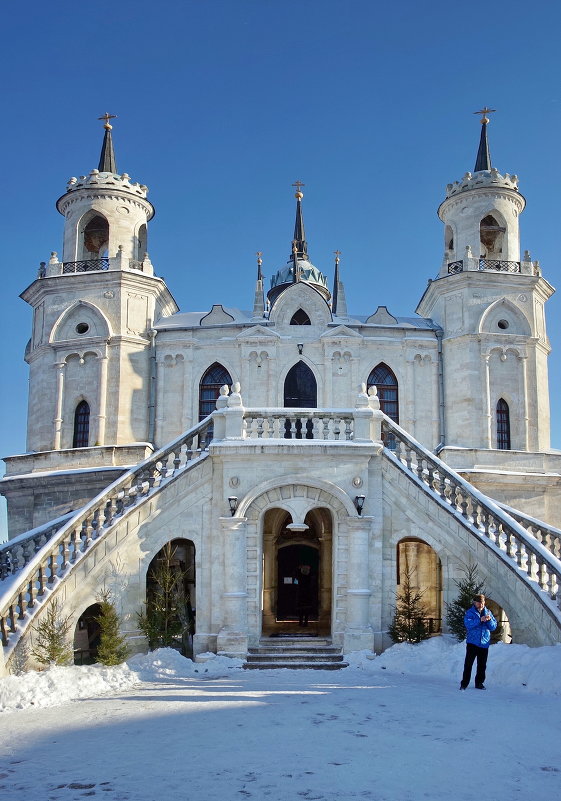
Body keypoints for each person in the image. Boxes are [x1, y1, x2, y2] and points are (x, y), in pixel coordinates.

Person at [460, 593, 497, 690]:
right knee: (468, 664)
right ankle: (464, 684)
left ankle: (479, 683)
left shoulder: (488, 612)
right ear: (474, 603)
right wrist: (480, 620)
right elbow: (468, 624)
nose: (481, 604)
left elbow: (493, 627)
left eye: (482, 602)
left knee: (482, 665)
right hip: (472, 642)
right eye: (478, 602)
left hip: (484, 643)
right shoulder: (470, 613)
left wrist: (489, 620)